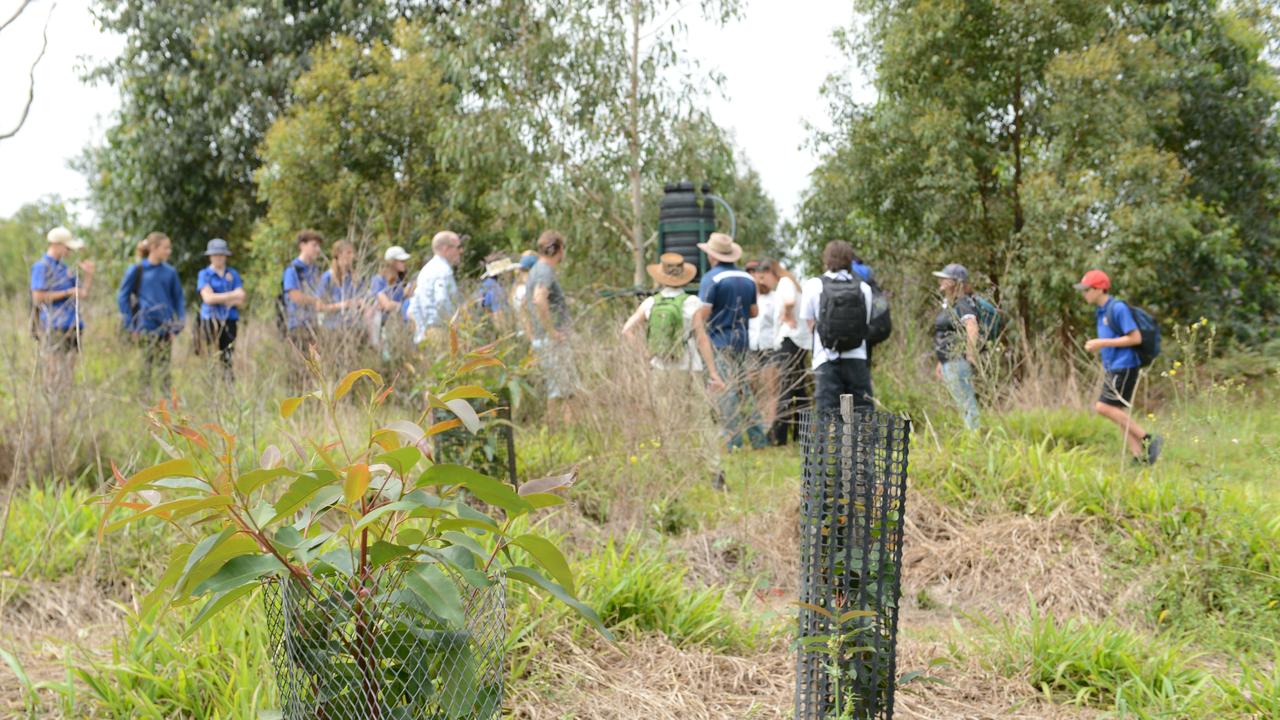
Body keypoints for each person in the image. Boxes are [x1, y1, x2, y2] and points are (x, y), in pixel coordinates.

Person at [1076, 269, 1164, 465]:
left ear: (1099, 289)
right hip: (1114, 366)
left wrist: (1101, 343)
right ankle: (1138, 457)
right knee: (1117, 412)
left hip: (1125, 366)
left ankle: (1148, 439)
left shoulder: (1117, 308)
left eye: (1087, 289)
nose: (1084, 294)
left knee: (1103, 407)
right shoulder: (1101, 312)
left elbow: (1135, 338)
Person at [694, 232, 766, 449]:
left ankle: (733, 442)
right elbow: (754, 312)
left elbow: (703, 313)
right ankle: (758, 439)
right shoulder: (747, 279)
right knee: (744, 391)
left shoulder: (711, 279)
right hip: (742, 341)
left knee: (727, 392)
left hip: (720, 342)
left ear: (712, 255)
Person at [800, 240, 874, 414]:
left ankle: (834, 441)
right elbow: (866, 324)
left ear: (826, 259)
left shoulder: (813, 285)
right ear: (850, 260)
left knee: (829, 414)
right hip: (857, 357)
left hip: (825, 357)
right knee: (861, 411)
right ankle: (861, 442)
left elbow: (809, 323)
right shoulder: (864, 288)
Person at [117, 231, 185, 395]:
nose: (169, 251)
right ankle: (144, 400)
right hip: (144, 325)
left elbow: (179, 299)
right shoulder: (137, 269)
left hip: (166, 327)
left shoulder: (170, 272)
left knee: (164, 367)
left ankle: (166, 401)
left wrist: (178, 325)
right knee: (146, 365)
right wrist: (131, 324)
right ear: (154, 248)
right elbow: (122, 296)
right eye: (166, 248)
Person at [30, 226, 95, 388]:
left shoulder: (65, 268)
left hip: (72, 325)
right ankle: (52, 403)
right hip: (54, 325)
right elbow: (37, 297)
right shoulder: (42, 266)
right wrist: (67, 292)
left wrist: (88, 275)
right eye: (67, 248)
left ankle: (64, 403)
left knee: (69, 370)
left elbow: (83, 294)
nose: (69, 252)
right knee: (52, 371)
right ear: (56, 245)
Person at [620, 252, 706, 372]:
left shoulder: (650, 302)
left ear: (661, 278)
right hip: (689, 365)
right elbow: (701, 338)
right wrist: (713, 372)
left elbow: (626, 330)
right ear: (684, 277)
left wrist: (645, 354)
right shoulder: (693, 302)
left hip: (659, 365)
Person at [527, 230, 578, 419]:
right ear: (559, 249)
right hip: (552, 340)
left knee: (554, 389)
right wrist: (552, 331)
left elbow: (526, 305)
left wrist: (532, 332)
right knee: (565, 392)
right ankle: (567, 434)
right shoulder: (544, 271)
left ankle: (556, 435)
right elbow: (539, 299)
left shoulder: (535, 270)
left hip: (542, 338)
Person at [760, 259, 810, 445]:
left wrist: (786, 315)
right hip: (799, 341)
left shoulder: (784, 283)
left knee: (786, 388)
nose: (766, 282)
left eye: (766, 277)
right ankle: (801, 433)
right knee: (799, 387)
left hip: (789, 339)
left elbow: (789, 301)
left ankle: (778, 436)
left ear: (773, 273)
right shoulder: (792, 283)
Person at [931, 263, 981, 430]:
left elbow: (972, 326)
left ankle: (974, 440)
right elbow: (945, 333)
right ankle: (972, 436)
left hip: (957, 361)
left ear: (955, 282)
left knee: (967, 402)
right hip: (948, 361)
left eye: (945, 278)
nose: (941, 281)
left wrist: (970, 354)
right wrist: (940, 362)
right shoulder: (950, 304)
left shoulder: (963, 303)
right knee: (962, 403)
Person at [195, 238, 245, 381]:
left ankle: (228, 384)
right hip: (210, 319)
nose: (219, 257)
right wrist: (231, 296)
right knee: (211, 354)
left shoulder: (233, 273)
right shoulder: (204, 274)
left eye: (221, 254)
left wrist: (217, 296)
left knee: (228, 354)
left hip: (230, 319)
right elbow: (208, 299)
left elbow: (241, 298)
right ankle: (211, 384)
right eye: (216, 254)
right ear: (210, 256)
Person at [281, 230, 327, 382]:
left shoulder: (315, 269)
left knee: (315, 365)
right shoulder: (292, 269)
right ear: (302, 245)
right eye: (314, 245)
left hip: (314, 322)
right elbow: (294, 296)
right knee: (299, 364)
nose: (317, 249)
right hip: (298, 323)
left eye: (319, 246)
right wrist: (315, 301)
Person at [408, 230, 463, 343]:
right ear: (445, 248)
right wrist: (454, 324)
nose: (460, 251)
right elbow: (442, 301)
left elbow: (412, 308)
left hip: (425, 333)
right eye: (457, 247)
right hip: (441, 332)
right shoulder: (443, 270)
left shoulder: (426, 270)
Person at [747, 260, 780, 432]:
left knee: (770, 387)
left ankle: (770, 426)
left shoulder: (775, 299)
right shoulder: (750, 298)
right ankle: (757, 421)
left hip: (769, 347)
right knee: (752, 384)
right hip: (752, 346)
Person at [317, 239, 365, 340]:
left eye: (352, 253)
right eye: (348, 252)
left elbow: (364, 300)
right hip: (333, 328)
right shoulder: (328, 277)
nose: (352, 256)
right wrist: (343, 305)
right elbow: (319, 307)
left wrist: (362, 304)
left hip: (354, 327)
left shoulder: (355, 278)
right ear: (338, 254)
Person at [368, 245, 414, 350]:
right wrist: (402, 304)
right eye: (401, 261)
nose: (404, 264)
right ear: (391, 262)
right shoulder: (378, 280)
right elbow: (387, 305)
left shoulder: (398, 281)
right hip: (381, 326)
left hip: (396, 325)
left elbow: (395, 302)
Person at [511, 251, 538, 338]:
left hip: (520, 333)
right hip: (532, 335)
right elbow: (526, 316)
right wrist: (532, 339)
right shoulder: (526, 290)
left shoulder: (515, 288)